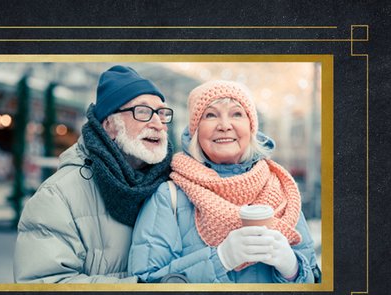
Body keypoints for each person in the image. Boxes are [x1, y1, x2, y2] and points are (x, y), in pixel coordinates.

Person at [128, 80, 321, 283]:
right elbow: (145, 285)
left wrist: (293, 269)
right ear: (195, 131)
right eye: (210, 115)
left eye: (237, 114)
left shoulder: (282, 190)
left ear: (251, 127)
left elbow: (315, 286)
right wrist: (220, 260)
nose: (225, 126)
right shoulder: (169, 197)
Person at [14, 65, 174, 283]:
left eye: (162, 113)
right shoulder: (58, 196)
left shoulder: (175, 184)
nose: (158, 124)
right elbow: (43, 284)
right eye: (143, 112)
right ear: (109, 126)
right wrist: (143, 291)